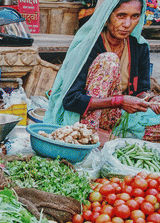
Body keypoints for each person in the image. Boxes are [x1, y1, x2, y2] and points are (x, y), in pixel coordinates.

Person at [44, 0, 160, 141]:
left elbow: (141, 91)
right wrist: (118, 101)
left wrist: (152, 100)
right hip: (86, 116)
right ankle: (89, 134)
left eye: (134, 16)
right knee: (109, 61)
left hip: (117, 116)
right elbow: (71, 100)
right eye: (121, 16)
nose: (127, 24)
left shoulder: (139, 46)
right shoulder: (90, 45)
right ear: (107, 16)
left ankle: (108, 137)